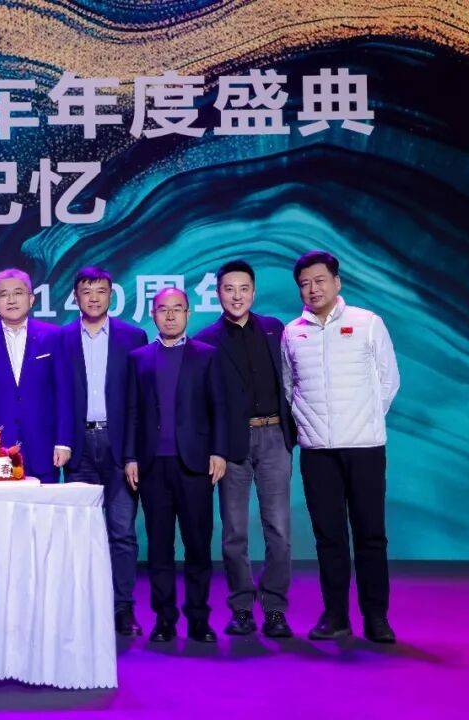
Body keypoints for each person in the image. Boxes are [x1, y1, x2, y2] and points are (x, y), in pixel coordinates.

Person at [282, 251, 400, 643]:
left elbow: (389, 380)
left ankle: (376, 617)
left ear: (337, 282)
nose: (312, 289)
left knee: (370, 535)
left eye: (319, 281)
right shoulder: (292, 332)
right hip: (317, 452)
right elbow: (289, 386)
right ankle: (335, 616)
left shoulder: (367, 323)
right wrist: (309, 426)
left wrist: (365, 419)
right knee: (328, 537)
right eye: (304, 284)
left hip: (364, 448)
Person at [194, 260, 295, 638]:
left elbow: (292, 381)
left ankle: (275, 608)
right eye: (228, 289)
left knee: (279, 529)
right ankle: (241, 608)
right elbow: (204, 401)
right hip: (231, 444)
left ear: (253, 291)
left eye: (244, 289)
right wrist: (214, 448)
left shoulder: (274, 330)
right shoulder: (205, 339)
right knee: (234, 531)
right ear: (217, 293)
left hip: (274, 436)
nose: (236, 296)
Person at [125, 287, 227, 643]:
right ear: (153, 314)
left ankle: (199, 619)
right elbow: (132, 412)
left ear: (188, 313)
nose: (170, 315)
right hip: (153, 466)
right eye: (163, 309)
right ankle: (164, 619)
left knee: (198, 545)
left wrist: (218, 451)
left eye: (177, 309)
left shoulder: (207, 355)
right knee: (160, 547)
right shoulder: (138, 358)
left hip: (195, 465)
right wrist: (130, 457)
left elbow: (219, 408)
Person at [61, 267, 148, 636]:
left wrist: (132, 453)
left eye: (100, 291)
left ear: (112, 295)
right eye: (86, 291)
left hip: (119, 444)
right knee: (81, 534)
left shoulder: (133, 337)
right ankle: (85, 608)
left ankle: (123, 608)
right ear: (75, 297)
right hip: (78, 446)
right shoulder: (62, 338)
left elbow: (139, 401)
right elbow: (58, 395)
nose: (93, 298)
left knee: (122, 531)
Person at [0, 269, 73, 483]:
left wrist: (64, 442)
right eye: (3, 294)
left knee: (43, 504)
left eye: (18, 293)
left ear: (31, 299)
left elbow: (64, 394)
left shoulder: (53, 336)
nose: (11, 300)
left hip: (43, 447)